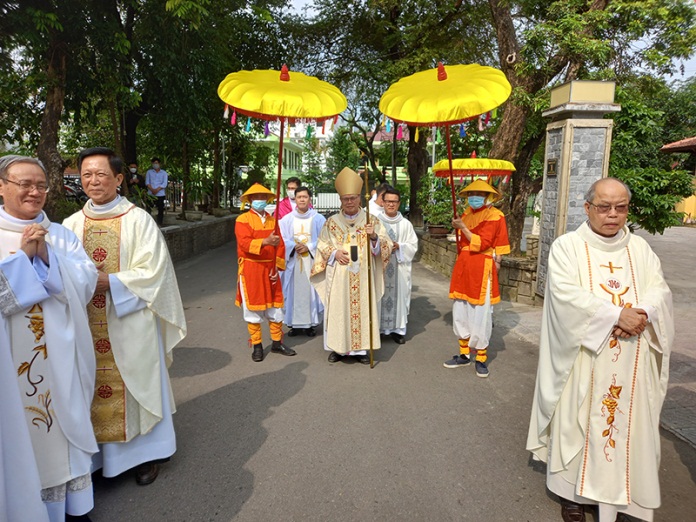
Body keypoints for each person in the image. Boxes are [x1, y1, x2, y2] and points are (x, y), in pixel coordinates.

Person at [527, 178, 674, 522]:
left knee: (625, 426)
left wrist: (645, 314)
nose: (612, 214)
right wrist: (614, 315)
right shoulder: (567, 247)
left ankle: (623, 499)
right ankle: (573, 495)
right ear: (587, 207)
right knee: (577, 422)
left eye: (620, 208)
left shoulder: (640, 250)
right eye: (604, 207)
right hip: (583, 360)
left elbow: (659, 290)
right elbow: (564, 295)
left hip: (631, 360)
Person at [63, 147, 187, 487]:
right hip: (86, 326)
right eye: (86, 174)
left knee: (138, 386)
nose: (92, 181)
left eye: (101, 174)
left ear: (119, 179)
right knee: (89, 389)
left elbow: (155, 273)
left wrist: (111, 282)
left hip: (130, 321)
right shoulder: (70, 225)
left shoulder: (138, 220)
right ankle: (98, 460)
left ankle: (146, 455)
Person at [0, 155, 99, 520]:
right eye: (24, 184)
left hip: (61, 356)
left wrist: (47, 259)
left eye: (41, 185)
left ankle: (74, 507)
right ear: (2, 187)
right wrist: (21, 260)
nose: (34, 192)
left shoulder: (60, 235)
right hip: (11, 363)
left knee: (64, 425)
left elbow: (86, 281)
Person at [310, 167, 392, 364]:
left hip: (364, 276)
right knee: (340, 310)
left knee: (363, 309)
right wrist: (334, 253)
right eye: (345, 199)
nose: (349, 202)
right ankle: (338, 349)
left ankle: (362, 350)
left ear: (359, 198)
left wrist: (373, 237)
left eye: (353, 198)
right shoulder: (331, 223)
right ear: (340, 200)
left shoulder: (371, 220)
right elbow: (322, 245)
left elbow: (385, 245)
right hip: (340, 276)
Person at [443, 179, 510, 378]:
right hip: (464, 265)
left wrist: (463, 227)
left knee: (480, 312)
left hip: (482, 266)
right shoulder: (466, 214)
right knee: (461, 309)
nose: (475, 198)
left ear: (488, 196)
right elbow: (463, 242)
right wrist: (460, 227)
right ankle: (464, 354)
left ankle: (480, 356)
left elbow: (483, 243)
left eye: (480, 194)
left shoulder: (495, 216)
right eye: (472, 194)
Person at [235, 183, 296, 362]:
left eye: (263, 197)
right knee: (253, 309)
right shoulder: (242, 220)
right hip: (251, 268)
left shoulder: (272, 220)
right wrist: (265, 241)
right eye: (256, 198)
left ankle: (277, 342)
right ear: (250, 200)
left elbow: (281, 244)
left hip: (270, 269)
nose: (260, 200)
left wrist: (277, 267)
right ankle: (257, 345)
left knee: (275, 307)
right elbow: (244, 243)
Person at [279, 186, 326, 337]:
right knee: (293, 293)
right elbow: (282, 240)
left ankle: (310, 325)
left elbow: (324, 241)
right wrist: (293, 246)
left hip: (311, 263)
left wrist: (309, 247)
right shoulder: (287, 219)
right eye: (299, 197)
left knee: (311, 292)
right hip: (293, 263)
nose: (302, 200)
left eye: (305, 197)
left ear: (309, 199)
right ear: (295, 199)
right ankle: (294, 324)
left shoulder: (318, 219)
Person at [377, 186, 418, 344]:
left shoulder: (406, 224)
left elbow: (413, 245)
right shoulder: (376, 222)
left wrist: (399, 246)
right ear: (383, 202)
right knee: (380, 295)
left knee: (399, 297)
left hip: (400, 267)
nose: (391, 205)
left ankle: (397, 330)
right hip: (381, 267)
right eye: (388, 201)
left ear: (399, 203)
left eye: (394, 202)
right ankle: (379, 330)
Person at [145, 156, 168, 226]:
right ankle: (148, 224)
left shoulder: (164, 173)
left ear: (159, 164)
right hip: (150, 194)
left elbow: (164, 183)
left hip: (160, 194)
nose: (155, 164)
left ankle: (159, 223)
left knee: (160, 209)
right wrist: (152, 189)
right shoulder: (149, 172)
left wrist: (157, 190)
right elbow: (147, 182)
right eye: (154, 163)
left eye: (157, 163)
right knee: (148, 209)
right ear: (152, 164)